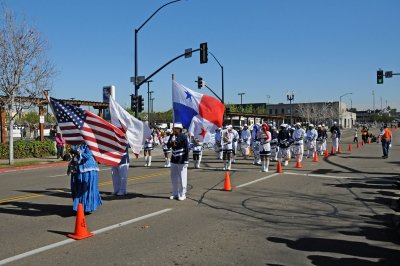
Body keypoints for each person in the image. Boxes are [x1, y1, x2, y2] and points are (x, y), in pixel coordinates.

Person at [67, 144, 102, 213]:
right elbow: (75, 157)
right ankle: (79, 206)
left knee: (85, 188)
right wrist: (70, 165)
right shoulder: (76, 144)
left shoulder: (89, 144)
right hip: (78, 169)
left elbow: (88, 156)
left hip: (88, 170)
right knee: (76, 187)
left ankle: (87, 207)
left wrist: (77, 152)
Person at [167, 123, 189, 201]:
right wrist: (171, 141)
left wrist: (186, 160)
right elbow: (168, 146)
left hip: (181, 159)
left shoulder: (183, 137)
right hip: (173, 159)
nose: (174, 129)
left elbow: (187, 149)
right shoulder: (171, 135)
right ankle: (175, 193)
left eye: (175, 128)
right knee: (174, 177)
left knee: (182, 177)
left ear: (179, 129)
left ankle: (183, 194)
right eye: (173, 128)